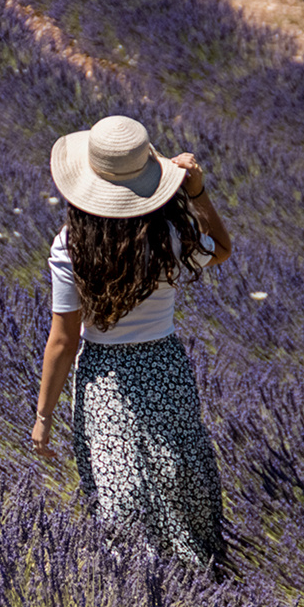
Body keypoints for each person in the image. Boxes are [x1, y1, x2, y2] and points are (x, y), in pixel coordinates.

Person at [31, 115, 232, 573]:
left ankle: (137, 588)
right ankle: (196, 575)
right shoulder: (171, 236)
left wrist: (44, 418)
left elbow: (62, 341)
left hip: (104, 377)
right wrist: (196, 192)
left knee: (119, 491)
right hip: (164, 366)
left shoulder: (72, 245)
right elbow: (221, 247)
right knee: (179, 475)